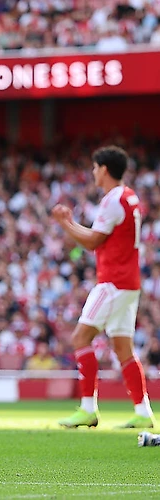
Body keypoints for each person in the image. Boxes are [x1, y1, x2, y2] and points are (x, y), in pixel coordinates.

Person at [51, 146, 154, 429]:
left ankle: (88, 408)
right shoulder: (130, 196)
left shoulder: (112, 199)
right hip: (129, 282)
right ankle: (143, 412)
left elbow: (93, 241)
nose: (93, 172)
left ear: (104, 169)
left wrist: (66, 223)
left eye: (95, 167)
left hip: (113, 281)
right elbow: (103, 238)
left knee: (80, 338)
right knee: (123, 348)